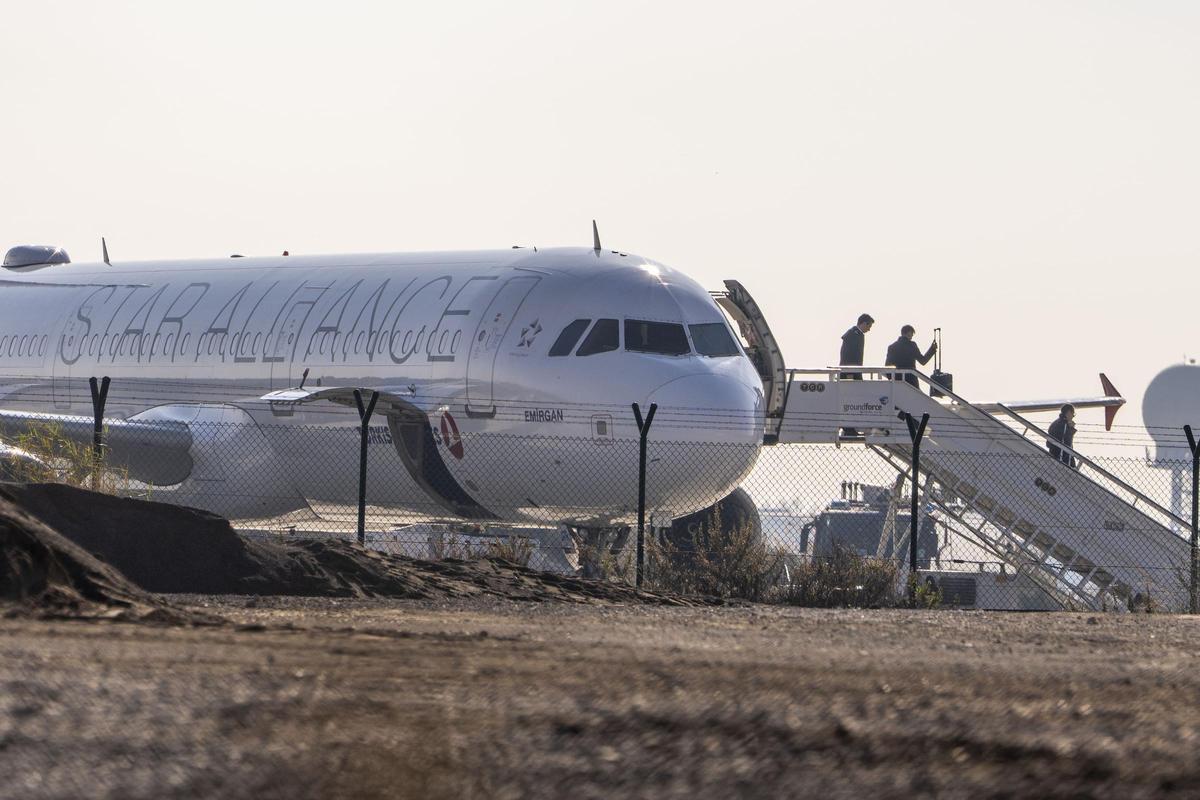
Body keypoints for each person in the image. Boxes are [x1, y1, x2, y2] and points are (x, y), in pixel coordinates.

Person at [838, 313, 874, 380]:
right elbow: (848, 355)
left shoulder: (855, 333)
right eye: (869, 326)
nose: (869, 330)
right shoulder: (853, 335)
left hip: (855, 370)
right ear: (864, 323)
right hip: (851, 371)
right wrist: (850, 373)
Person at [1047, 404, 1078, 468]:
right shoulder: (1064, 425)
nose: (1073, 417)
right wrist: (1071, 429)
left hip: (1053, 453)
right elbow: (1067, 442)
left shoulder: (1055, 423)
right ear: (1069, 412)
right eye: (1073, 414)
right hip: (1063, 457)